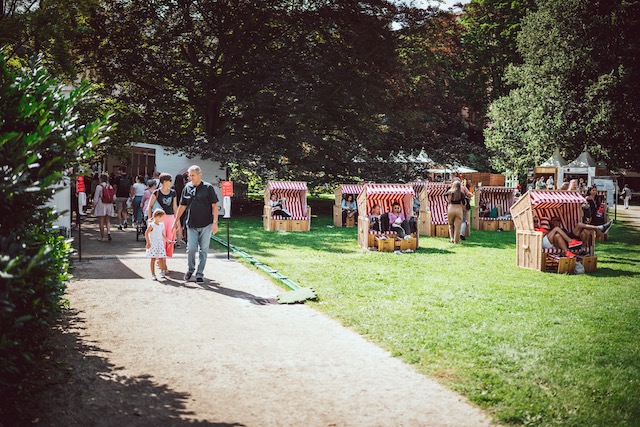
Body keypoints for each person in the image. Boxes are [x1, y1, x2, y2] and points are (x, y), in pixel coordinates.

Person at [173, 165, 219, 283]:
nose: (190, 177)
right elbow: (182, 205)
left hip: (206, 224)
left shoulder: (208, 188)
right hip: (191, 223)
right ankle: (190, 269)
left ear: (200, 175)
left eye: (193, 175)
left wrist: (215, 223)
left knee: (203, 250)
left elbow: (214, 206)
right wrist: (175, 220)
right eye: (189, 175)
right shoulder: (187, 188)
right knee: (191, 249)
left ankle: (199, 273)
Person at [148, 173, 178, 279]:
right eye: (170, 180)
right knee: (161, 241)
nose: (171, 182)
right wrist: (150, 219)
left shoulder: (173, 192)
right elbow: (150, 206)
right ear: (165, 181)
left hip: (170, 217)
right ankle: (163, 265)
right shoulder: (156, 192)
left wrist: (177, 220)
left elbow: (175, 207)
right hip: (160, 219)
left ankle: (162, 262)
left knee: (169, 240)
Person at [145, 208, 173, 281]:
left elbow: (161, 233)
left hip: (160, 243)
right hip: (153, 243)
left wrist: (167, 240)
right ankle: (153, 274)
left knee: (161, 258)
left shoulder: (161, 225)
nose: (163, 219)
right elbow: (146, 233)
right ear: (158, 217)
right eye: (163, 217)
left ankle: (162, 271)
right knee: (153, 259)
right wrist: (148, 242)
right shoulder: (152, 225)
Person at [445, 179, 471, 244]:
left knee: (450, 224)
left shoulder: (450, 192)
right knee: (458, 226)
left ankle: (451, 238)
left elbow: (444, 194)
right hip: (458, 209)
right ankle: (456, 241)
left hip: (451, 208)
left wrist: (450, 188)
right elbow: (463, 202)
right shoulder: (461, 194)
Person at [93, 173, 115, 242]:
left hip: (101, 204)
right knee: (108, 220)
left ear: (100, 179)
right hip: (109, 204)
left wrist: (94, 205)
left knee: (101, 221)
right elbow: (114, 197)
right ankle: (108, 232)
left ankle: (102, 237)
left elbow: (96, 197)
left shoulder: (99, 187)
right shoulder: (110, 186)